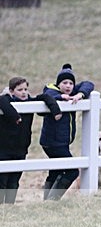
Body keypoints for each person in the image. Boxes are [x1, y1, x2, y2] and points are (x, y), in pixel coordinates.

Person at [0, 77, 61, 205]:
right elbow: (2, 100)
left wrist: (55, 110)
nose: (23, 92)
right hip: (4, 149)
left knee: (14, 180)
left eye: (26, 89)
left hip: (21, 148)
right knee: (2, 180)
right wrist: (15, 116)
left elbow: (45, 97)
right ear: (11, 91)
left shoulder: (29, 102)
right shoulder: (6, 100)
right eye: (19, 89)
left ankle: (9, 206)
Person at [38, 64, 95, 200]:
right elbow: (48, 94)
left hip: (61, 142)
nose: (68, 86)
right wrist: (61, 97)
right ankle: (52, 200)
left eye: (71, 83)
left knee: (56, 170)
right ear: (58, 84)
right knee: (72, 171)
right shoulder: (51, 91)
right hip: (52, 142)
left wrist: (80, 94)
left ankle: (47, 201)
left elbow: (89, 84)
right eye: (64, 82)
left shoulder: (72, 92)